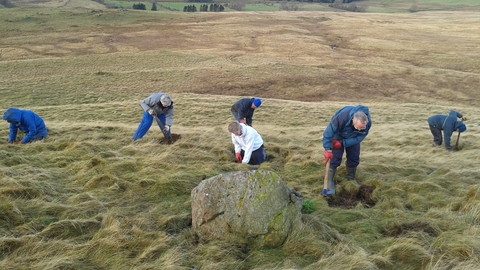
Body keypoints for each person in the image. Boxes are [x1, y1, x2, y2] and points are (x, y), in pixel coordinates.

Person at [322, 105, 372, 195]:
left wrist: (342, 143)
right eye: (358, 127)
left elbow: (359, 137)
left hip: (353, 137)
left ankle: (351, 178)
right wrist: (327, 149)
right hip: (338, 134)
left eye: (362, 128)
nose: (360, 129)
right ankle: (329, 182)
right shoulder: (342, 117)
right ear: (353, 120)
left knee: (354, 157)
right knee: (335, 158)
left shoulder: (367, 124)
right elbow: (329, 132)